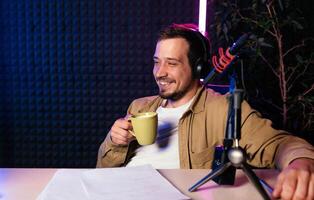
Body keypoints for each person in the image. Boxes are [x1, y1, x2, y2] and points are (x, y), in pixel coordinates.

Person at [97, 23, 314, 200]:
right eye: (157, 62)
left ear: (198, 68)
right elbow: (102, 171)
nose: (159, 73)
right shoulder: (139, 106)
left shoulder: (222, 109)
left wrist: (301, 163)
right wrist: (114, 141)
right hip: (121, 191)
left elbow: (280, 144)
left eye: (171, 63)